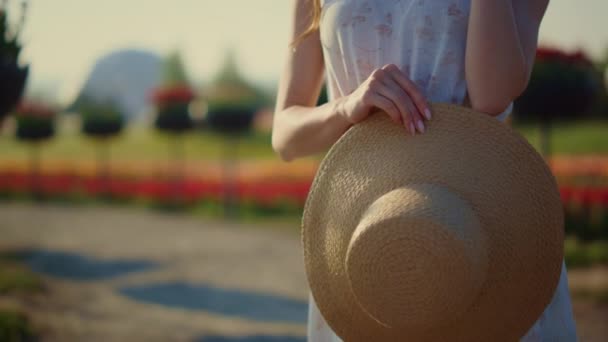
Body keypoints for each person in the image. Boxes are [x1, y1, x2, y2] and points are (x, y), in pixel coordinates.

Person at [271, 0, 577, 340]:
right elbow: (285, 135)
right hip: (368, 235)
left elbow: (491, 97)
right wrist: (346, 107)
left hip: (483, 231)